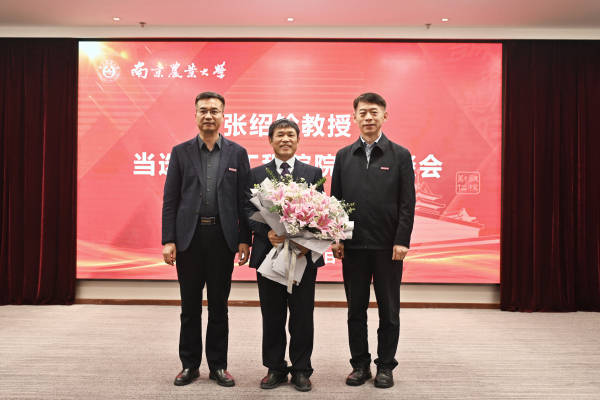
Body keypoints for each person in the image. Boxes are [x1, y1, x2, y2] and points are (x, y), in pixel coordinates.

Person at [161, 91, 252, 387]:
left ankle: (218, 366)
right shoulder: (180, 152)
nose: (209, 115)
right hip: (188, 238)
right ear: (196, 115)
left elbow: (244, 200)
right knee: (190, 307)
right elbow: (171, 199)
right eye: (203, 110)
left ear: (223, 115)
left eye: (214, 110)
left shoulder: (237, 153)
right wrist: (169, 239)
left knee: (219, 307)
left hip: (222, 238)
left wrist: (245, 238)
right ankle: (189, 365)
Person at [330, 92, 416, 389]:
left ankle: (385, 367)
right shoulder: (344, 155)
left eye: (374, 112)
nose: (368, 117)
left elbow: (407, 203)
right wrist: (337, 237)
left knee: (389, 312)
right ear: (354, 117)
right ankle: (360, 365)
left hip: (387, 247)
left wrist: (401, 239)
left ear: (384, 116)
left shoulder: (399, 155)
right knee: (356, 310)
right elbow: (336, 201)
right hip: (353, 247)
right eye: (363, 112)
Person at [244, 119, 325, 392]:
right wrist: (266, 231)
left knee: (302, 316)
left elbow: (322, 212)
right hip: (268, 255)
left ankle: (301, 370)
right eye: (280, 135)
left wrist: (306, 239)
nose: (286, 139)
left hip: (303, 256)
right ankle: (275, 368)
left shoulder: (312, 172)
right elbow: (247, 210)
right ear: (270, 140)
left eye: (291, 134)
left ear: (298, 140)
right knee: (272, 315)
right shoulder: (256, 173)